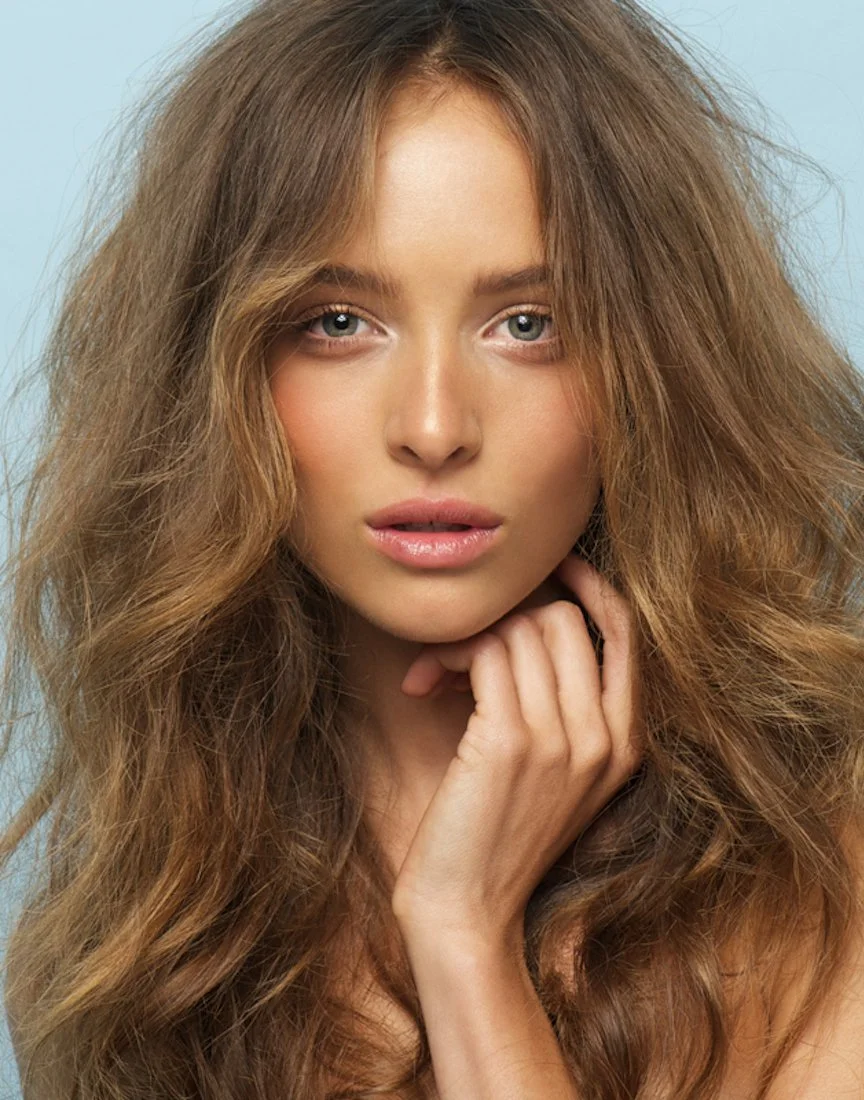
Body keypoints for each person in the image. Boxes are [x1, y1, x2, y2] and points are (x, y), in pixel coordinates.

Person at [2, 0, 863, 1097]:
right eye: (337, 322)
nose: (435, 424)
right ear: (213, 376)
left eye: (529, 322)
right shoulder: (140, 927)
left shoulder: (820, 894)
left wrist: (464, 942)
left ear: (652, 367)